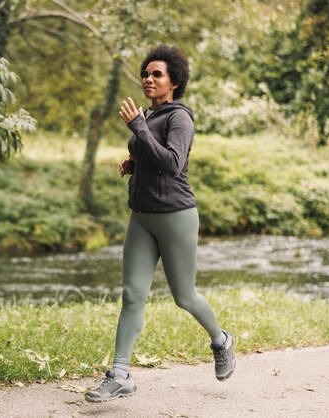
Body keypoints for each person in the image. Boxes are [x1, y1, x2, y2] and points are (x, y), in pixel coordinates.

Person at [85, 44, 236, 403]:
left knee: (184, 296)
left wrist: (137, 127)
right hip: (141, 216)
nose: (148, 79)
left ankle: (221, 340)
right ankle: (120, 373)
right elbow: (152, 155)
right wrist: (134, 164)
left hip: (175, 218)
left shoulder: (178, 117)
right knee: (132, 294)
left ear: (175, 81)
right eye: (146, 73)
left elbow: (172, 162)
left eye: (158, 74)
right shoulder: (151, 117)